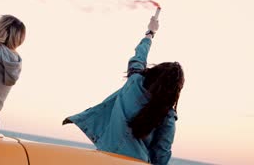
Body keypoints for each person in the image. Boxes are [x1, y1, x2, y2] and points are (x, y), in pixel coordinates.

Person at [63, 16, 184, 165]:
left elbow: (139, 58)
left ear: (154, 73)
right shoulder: (168, 117)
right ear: (175, 92)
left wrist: (150, 32)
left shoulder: (135, 82)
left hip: (105, 156)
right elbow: (161, 153)